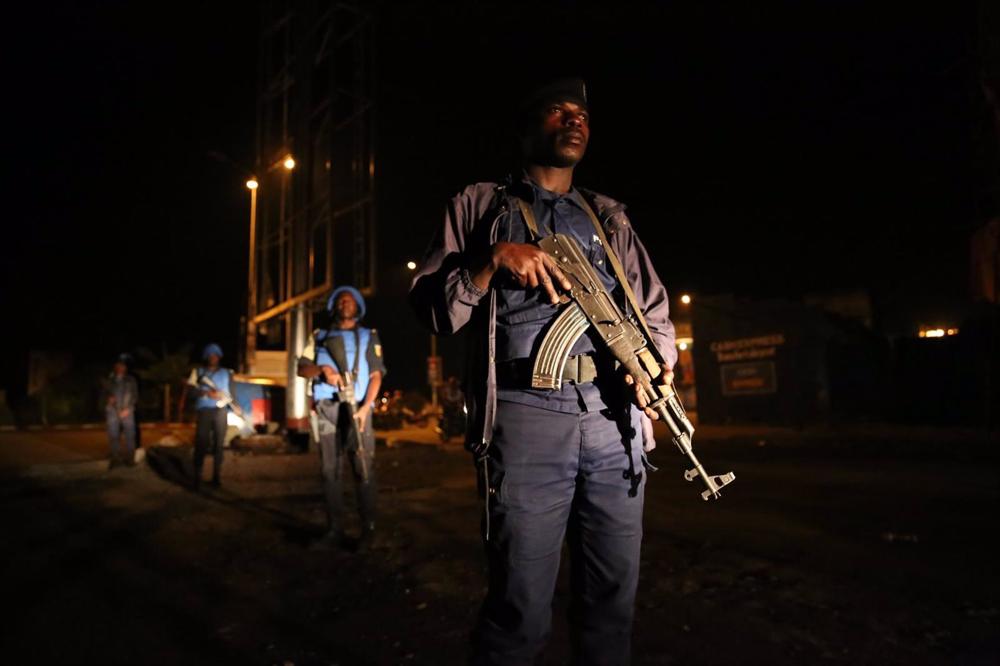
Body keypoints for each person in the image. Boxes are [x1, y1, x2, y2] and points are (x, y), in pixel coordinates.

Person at [409, 78, 677, 664]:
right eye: (558, 110)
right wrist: (490, 261)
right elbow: (432, 309)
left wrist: (654, 367)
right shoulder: (478, 205)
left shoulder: (609, 217)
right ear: (526, 126)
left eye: (582, 113)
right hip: (528, 414)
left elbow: (655, 311)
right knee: (519, 610)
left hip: (615, 419)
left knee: (612, 606)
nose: (574, 120)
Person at [298, 286, 387, 552]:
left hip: (358, 409)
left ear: (357, 307)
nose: (344, 303)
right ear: (334, 306)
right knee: (329, 471)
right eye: (340, 300)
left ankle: (368, 531)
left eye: (350, 300)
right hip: (327, 408)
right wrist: (322, 370)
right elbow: (301, 369)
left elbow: (376, 375)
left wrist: (365, 409)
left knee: (363, 468)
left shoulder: (368, 335)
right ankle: (334, 529)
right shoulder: (319, 336)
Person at [186, 343, 232, 490]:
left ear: (219, 357)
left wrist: (234, 407)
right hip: (204, 411)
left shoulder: (227, 373)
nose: (213, 358)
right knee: (201, 443)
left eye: (215, 355)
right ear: (207, 357)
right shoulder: (198, 372)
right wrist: (206, 393)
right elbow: (190, 391)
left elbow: (232, 393)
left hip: (221, 411)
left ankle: (216, 477)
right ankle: (197, 477)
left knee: (219, 444)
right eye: (210, 355)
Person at [104, 353, 138, 469]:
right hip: (112, 412)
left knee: (130, 435)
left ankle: (130, 459)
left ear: (125, 368)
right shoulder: (109, 380)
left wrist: (128, 409)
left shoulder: (131, 380)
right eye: (118, 366)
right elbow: (103, 395)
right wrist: (108, 399)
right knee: (113, 436)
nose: (120, 368)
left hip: (127, 412)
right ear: (115, 367)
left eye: (122, 366)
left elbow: (135, 396)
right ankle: (115, 459)